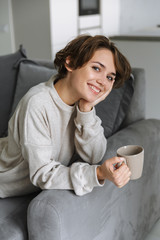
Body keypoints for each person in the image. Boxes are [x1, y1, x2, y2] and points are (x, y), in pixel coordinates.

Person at [0, 35, 131, 198]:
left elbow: (94, 156)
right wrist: (97, 173)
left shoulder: (81, 102)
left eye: (110, 77)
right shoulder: (37, 103)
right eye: (96, 68)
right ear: (70, 63)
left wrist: (86, 110)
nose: (103, 82)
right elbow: (43, 174)